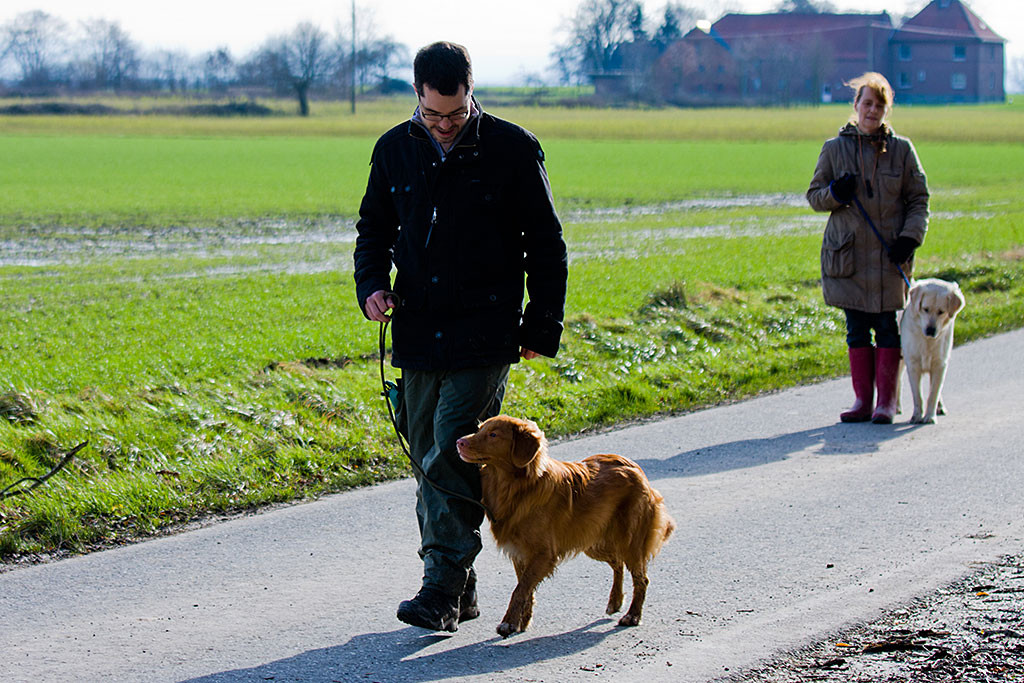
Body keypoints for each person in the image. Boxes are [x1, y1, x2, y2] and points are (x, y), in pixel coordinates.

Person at [353, 41, 568, 632]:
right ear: (416, 98)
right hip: (419, 327)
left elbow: (547, 246)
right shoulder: (394, 149)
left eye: (455, 113)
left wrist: (539, 324)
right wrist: (371, 285)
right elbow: (373, 228)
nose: (444, 126)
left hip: (487, 329)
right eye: (432, 115)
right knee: (426, 459)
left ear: (471, 93)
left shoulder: (513, 149)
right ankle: (464, 585)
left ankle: (440, 587)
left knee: (452, 444)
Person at [807, 72, 929, 424]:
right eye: (867, 103)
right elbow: (814, 198)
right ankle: (863, 401)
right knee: (856, 329)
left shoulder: (903, 151)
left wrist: (910, 238)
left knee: (888, 327)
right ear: (856, 106)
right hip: (848, 258)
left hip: (891, 256)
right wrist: (835, 194)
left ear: (887, 110)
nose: (872, 110)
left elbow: (919, 199)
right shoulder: (833, 149)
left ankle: (886, 403)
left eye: (880, 105)